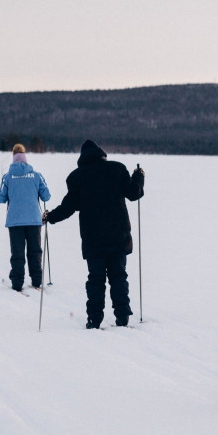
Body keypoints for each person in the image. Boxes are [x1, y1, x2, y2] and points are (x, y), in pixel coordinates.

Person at [44, 139, 144, 329]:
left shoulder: (77, 177)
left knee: (95, 279)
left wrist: (50, 217)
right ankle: (122, 316)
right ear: (101, 154)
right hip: (118, 236)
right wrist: (139, 176)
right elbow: (134, 193)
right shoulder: (117, 169)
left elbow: (68, 207)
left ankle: (94, 319)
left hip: (93, 239)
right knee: (118, 276)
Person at [0, 143, 51, 291]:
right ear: (25, 158)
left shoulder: (8, 177)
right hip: (34, 220)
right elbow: (46, 196)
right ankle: (37, 280)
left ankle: (17, 282)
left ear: (13, 157)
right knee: (35, 251)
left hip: (15, 221)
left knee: (17, 253)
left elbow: (1, 197)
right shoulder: (37, 175)